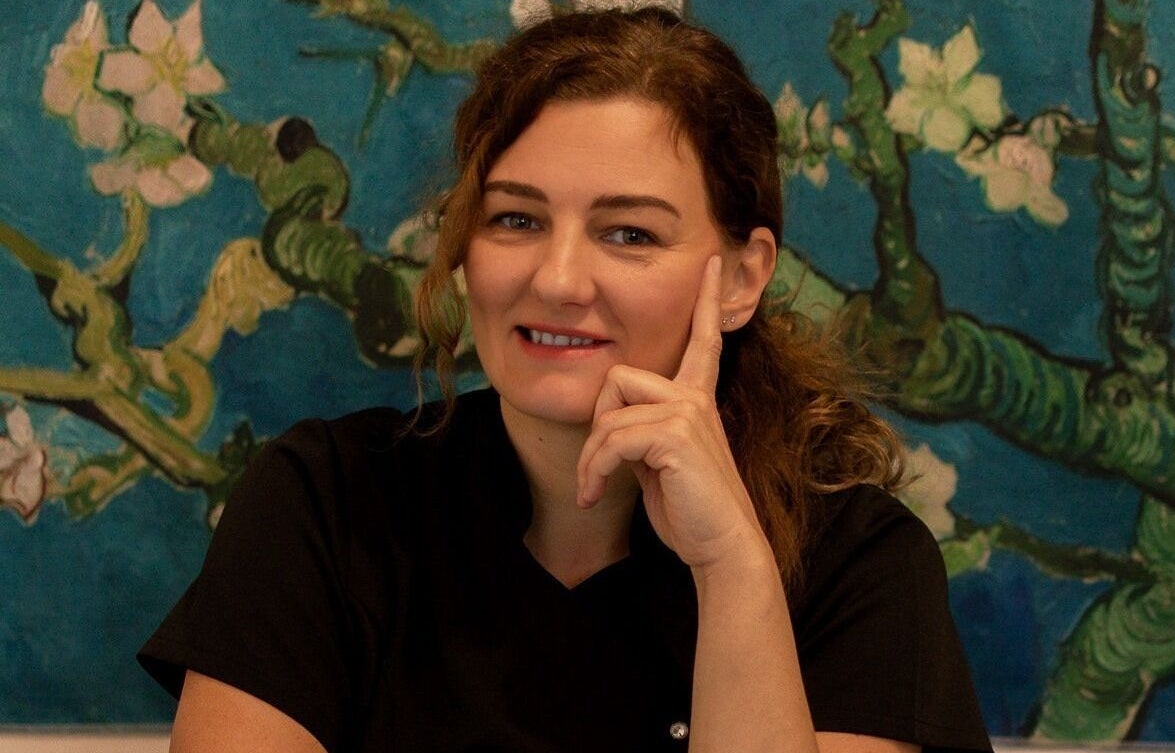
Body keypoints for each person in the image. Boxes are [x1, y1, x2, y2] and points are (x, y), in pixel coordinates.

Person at [138, 7, 992, 753]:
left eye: (629, 235)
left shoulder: (862, 561)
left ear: (740, 277)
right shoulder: (323, 504)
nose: (557, 279)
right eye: (516, 218)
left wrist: (733, 567)